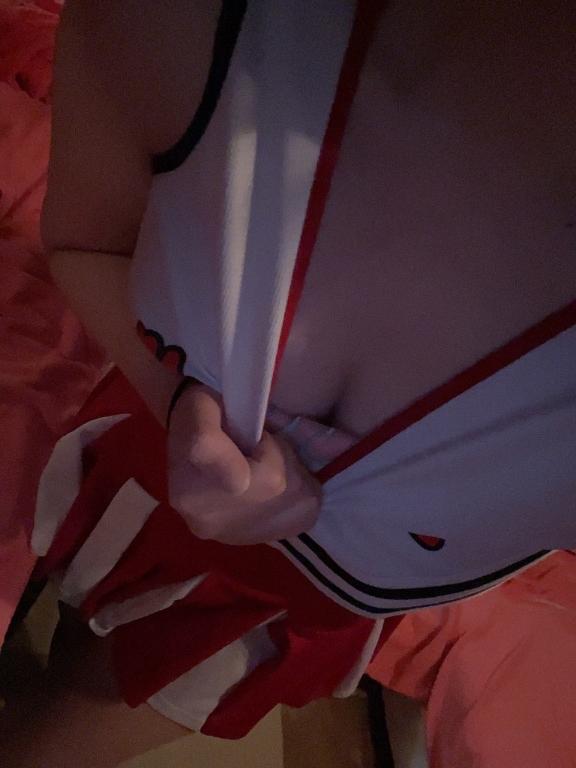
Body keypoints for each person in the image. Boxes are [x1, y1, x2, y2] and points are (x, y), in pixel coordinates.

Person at [2, 1, 575, 766]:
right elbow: (88, 244)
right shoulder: (183, 25)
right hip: (138, 464)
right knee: (69, 644)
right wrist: (173, 403)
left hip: (282, 613)